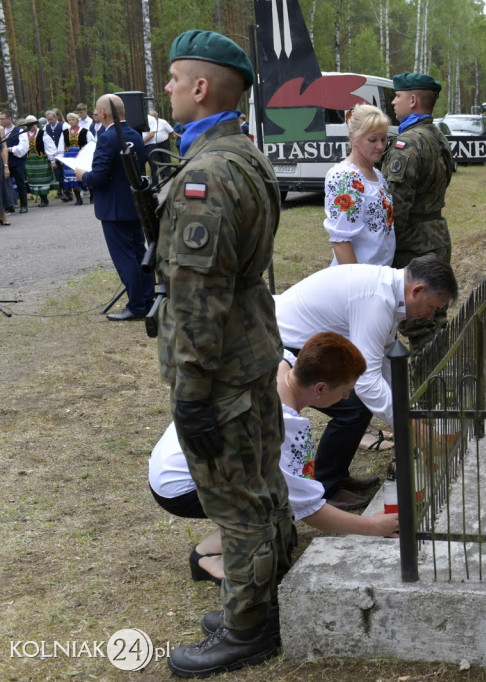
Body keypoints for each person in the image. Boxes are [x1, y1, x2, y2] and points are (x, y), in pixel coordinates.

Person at [155, 29, 291, 677]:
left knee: (235, 501)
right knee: (263, 487)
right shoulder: (245, 155)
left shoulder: (205, 176)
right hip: (253, 350)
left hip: (223, 368)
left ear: (202, 86)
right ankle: (265, 597)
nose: (169, 89)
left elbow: (195, 298)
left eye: (176, 79)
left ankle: (247, 628)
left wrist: (190, 392)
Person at [149, 332, 399, 583]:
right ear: (320, 388)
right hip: (181, 488)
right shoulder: (280, 424)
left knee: (278, 501)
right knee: (273, 504)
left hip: (173, 460)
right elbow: (307, 507)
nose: (346, 399)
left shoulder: (280, 361)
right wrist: (372, 527)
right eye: (345, 392)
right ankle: (207, 556)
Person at [274, 255, 458, 510]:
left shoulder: (389, 293)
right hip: (286, 341)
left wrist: (408, 412)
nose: (430, 316)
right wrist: (409, 425)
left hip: (309, 341)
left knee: (357, 405)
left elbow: (381, 360)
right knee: (354, 408)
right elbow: (369, 382)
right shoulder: (377, 299)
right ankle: (326, 487)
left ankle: (336, 475)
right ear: (417, 290)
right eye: (433, 307)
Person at [382, 72, 455, 351]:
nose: (393, 104)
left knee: (420, 322)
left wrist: (384, 244)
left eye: (397, 97)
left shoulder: (408, 143)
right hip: (436, 236)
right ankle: (441, 382)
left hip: (413, 244)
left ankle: (428, 390)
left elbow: (395, 207)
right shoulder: (437, 136)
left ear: (412, 100)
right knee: (435, 316)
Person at [76, 94, 153, 322]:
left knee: (125, 258)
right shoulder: (136, 136)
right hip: (134, 204)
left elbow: (98, 176)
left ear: (105, 113)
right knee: (140, 254)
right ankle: (148, 300)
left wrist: (83, 175)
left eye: (96, 111)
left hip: (112, 207)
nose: (94, 114)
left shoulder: (107, 138)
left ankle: (137, 305)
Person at [324, 103, 394, 266]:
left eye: (384, 139)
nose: (380, 146)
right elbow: (340, 241)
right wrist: (357, 284)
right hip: (360, 281)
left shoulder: (376, 174)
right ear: (353, 136)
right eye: (372, 139)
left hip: (379, 275)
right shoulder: (345, 177)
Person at [1, 111, 29, 213]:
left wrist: (10, 149)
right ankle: (9, 205)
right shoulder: (1, 130)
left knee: (20, 183)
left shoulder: (19, 131)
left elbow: (24, 147)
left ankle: (24, 205)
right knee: (7, 184)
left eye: (3, 119)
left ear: (10, 119)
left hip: (17, 161)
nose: (1, 121)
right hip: (5, 162)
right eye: (0, 119)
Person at [42, 109, 71, 202]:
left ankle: (68, 192)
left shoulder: (64, 126)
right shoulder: (45, 128)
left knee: (66, 174)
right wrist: (52, 159)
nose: (50, 121)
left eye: (51, 119)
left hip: (63, 153)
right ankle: (62, 191)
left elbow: (67, 141)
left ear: (56, 117)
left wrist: (64, 155)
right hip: (53, 155)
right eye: (48, 120)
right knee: (58, 175)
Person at [24, 116, 52, 206]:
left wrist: (52, 159)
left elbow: (49, 146)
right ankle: (41, 198)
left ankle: (44, 199)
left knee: (42, 179)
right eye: (28, 124)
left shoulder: (42, 133)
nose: (31, 126)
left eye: (32, 123)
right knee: (33, 179)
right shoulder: (25, 134)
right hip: (30, 161)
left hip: (41, 159)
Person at [63, 112, 88, 205]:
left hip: (81, 155)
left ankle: (92, 195)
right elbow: (61, 145)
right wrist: (61, 158)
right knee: (72, 177)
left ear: (77, 121)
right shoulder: (65, 132)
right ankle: (78, 198)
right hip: (69, 156)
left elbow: (90, 142)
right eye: (69, 120)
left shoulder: (84, 131)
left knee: (83, 175)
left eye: (73, 119)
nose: (71, 121)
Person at [143, 108, 175, 181]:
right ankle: (163, 175)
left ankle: (168, 174)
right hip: (154, 144)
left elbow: (171, 131)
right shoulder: (148, 123)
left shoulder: (163, 122)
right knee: (158, 160)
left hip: (164, 143)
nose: (151, 118)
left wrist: (171, 137)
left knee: (166, 158)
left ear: (156, 116)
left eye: (152, 116)